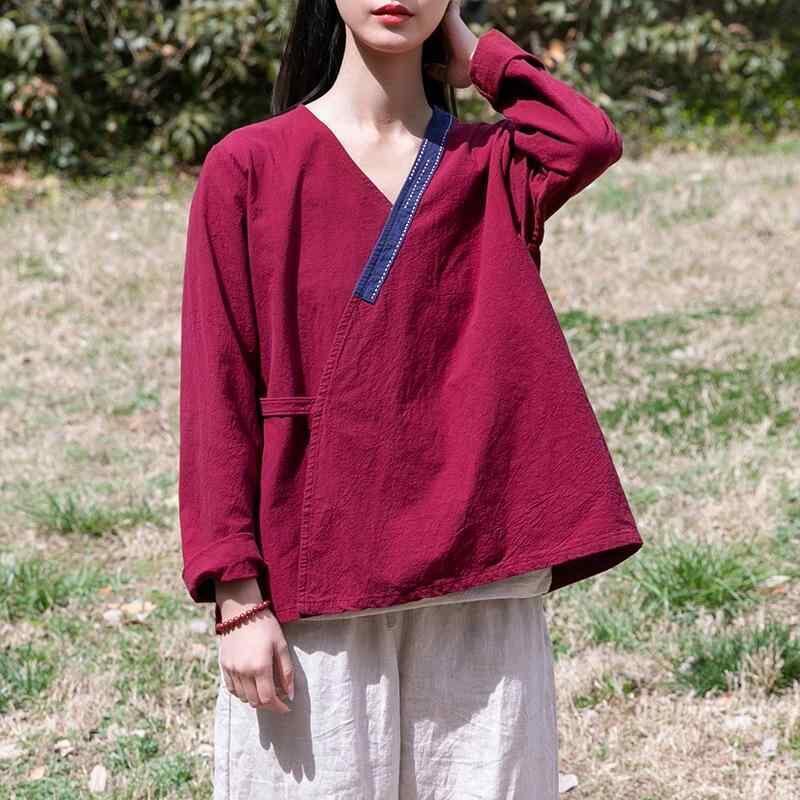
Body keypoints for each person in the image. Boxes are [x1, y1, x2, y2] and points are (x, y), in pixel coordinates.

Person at [178, 1, 644, 797]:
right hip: (314, 569)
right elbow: (215, 391)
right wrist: (235, 593)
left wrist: (474, 53)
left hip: (479, 559)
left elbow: (587, 140)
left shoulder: (488, 163)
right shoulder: (249, 165)